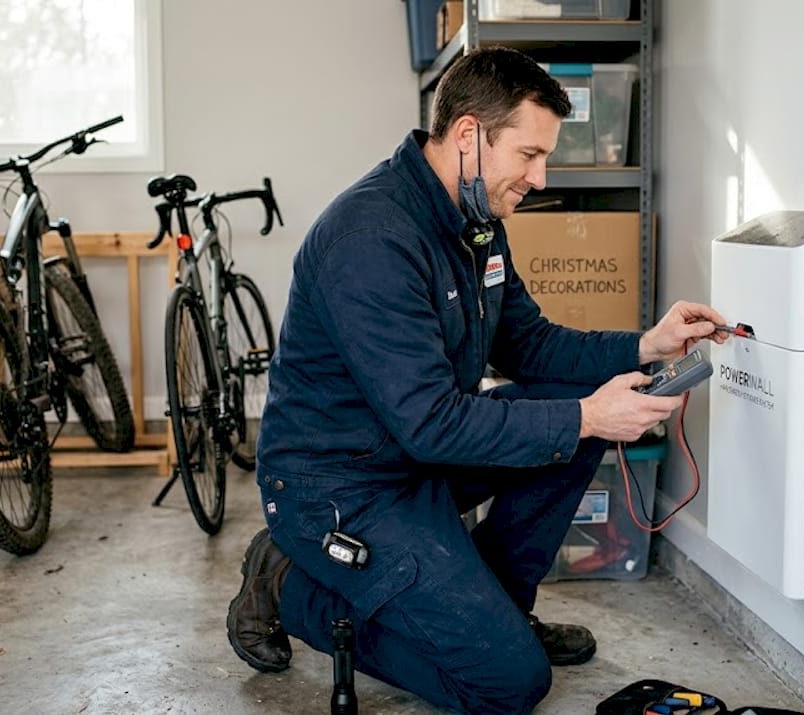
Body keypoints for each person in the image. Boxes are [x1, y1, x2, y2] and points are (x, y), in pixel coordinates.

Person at [227, 46, 729, 714]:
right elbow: (430, 420)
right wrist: (589, 416)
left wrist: (647, 342)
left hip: (414, 460)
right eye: (528, 155)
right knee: (506, 684)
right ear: (469, 134)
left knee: (563, 409)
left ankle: (496, 609)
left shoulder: (477, 223)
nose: (541, 177)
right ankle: (289, 582)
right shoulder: (370, 237)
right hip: (341, 488)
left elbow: (529, 343)